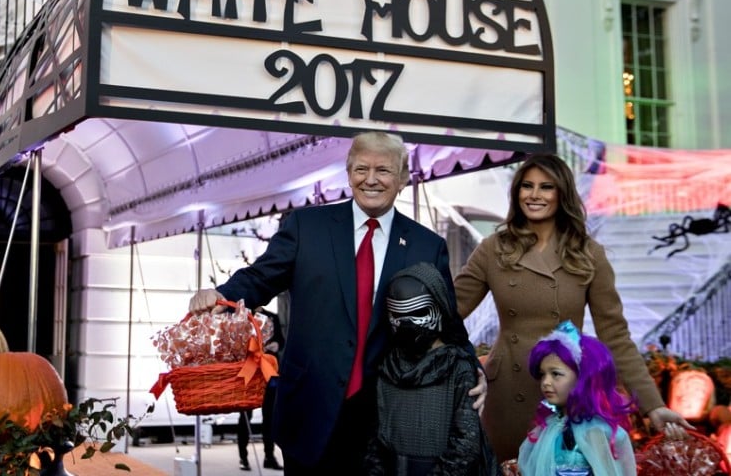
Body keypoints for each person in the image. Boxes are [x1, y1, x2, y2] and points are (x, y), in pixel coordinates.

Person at [189, 131, 483, 475]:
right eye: (361, 169)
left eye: (383, 171)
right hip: (308, 409)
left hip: (386, 417)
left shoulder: (426, 245)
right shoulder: (305, 227)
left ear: (403, 178)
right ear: (348, 172)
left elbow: (446, 322)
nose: (370, 180)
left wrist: (472, 369)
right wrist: (220, 295)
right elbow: (259, 278)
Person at [454, 153, 690, 461]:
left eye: (546, 187)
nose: (534, 195)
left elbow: (615, 336)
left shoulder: (588, 254)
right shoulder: (494, 249)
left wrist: (653, 405)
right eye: (527, 186)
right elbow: (449, 312)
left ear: (561, 194)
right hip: (508, 391)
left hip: (567, 393)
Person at [365, 262, 499, 475]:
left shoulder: (458, 368)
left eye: (418, 311)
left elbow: (466, 446)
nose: (407, 323)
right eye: (398, 316)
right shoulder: (387, 367)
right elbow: (376, 442)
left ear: (440, 307)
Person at [518, 321, 637, 476]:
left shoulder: (601, 432)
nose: (545, 382)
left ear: (582, 378)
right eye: (542, 375)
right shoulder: (546, 429)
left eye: (556, 374)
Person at [236, 305, 284, 471]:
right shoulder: (242, 317)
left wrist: (276, 345)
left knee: (269, 415)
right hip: (249, 369)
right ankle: (243, 457)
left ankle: (269, 456)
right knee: (245, 415)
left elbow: (281, 340)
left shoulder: (272, 317)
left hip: (269, 370)